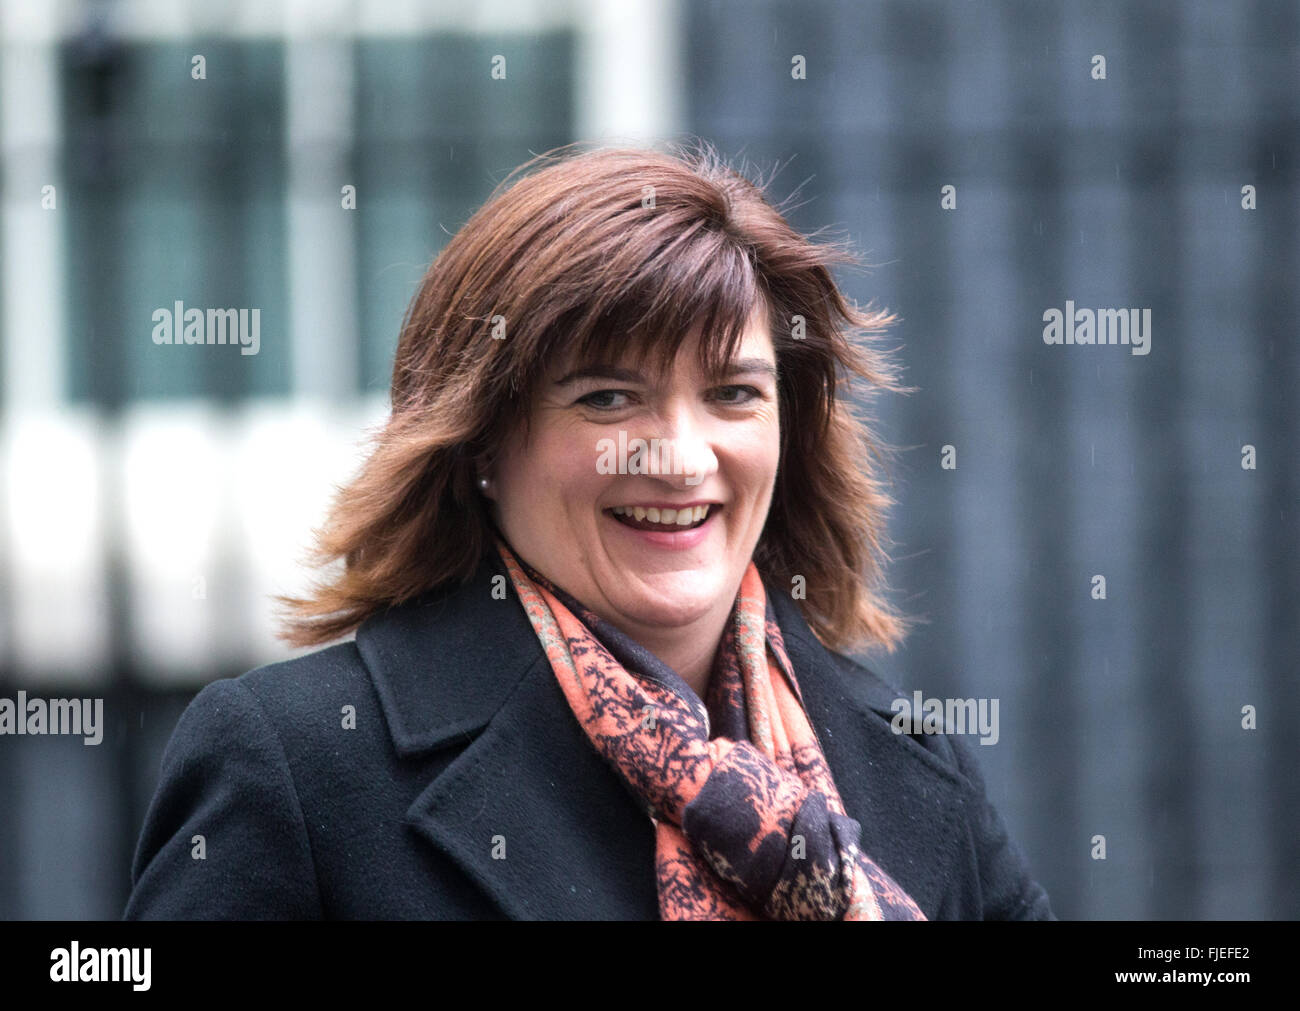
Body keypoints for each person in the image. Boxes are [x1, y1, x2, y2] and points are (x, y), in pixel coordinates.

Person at [124, 141, 1054, 920]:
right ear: (483, 442)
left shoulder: (915, 763)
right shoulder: (297, 764)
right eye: (608, 398)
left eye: (733, 393)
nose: (680, 457)